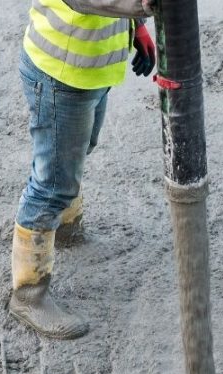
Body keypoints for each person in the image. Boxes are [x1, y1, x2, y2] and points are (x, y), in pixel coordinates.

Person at [11, 0, 157, 340]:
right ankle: (28, 295)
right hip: (61, 73)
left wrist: (135, 27)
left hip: (89, 71)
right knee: (53, 184)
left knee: (76, 153)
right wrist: (139, 7)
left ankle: (64, 228)